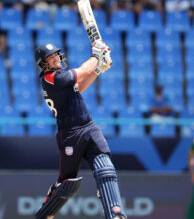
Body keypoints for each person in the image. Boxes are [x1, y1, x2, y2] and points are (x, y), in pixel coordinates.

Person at [34, 41, 127, 219]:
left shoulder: (60, 78)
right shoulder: (51, 78)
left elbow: (79, 87)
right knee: (66, 183)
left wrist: (98, 68)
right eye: (51, 57)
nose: (56, 59)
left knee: (105, 168)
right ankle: (44, 215)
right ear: (43, 64)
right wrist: (97, 56)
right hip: (70, 134)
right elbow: (83, 71)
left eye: (56, 55)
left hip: (88, 127)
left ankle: (115, 213)